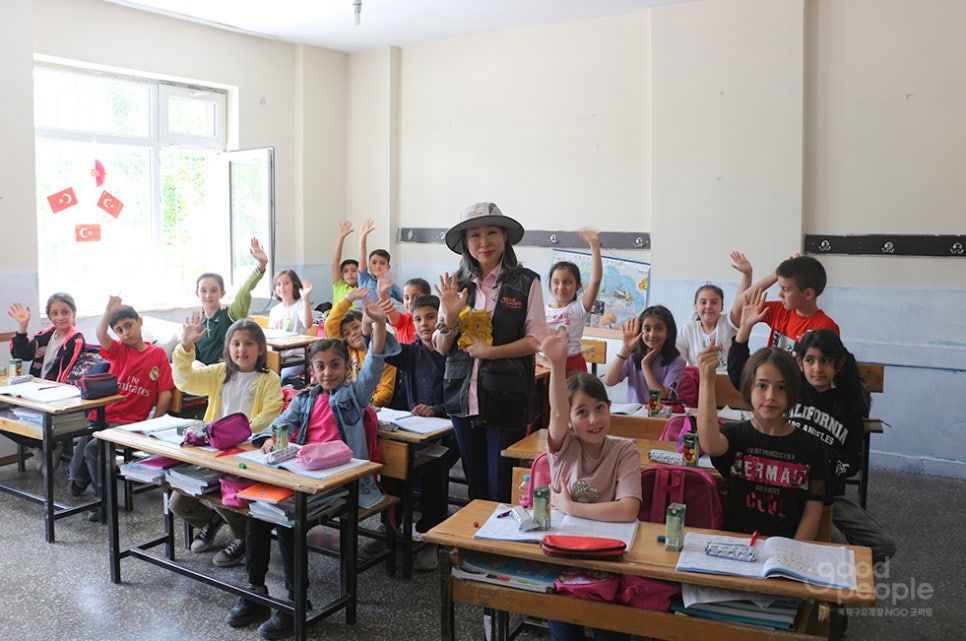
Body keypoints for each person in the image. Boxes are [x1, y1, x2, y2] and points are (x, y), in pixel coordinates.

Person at [225, 302, 397, 639]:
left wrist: (376, 326)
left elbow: (375, 363)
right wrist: (269, 440)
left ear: (348, 368)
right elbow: (279, 425)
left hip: (340, 484)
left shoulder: (354, 396)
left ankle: (295, 604)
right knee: (258, 514)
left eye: (335, 365)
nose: (328, 372)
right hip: (302, 477)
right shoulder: (305, 398)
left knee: (288, 522)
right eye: (320, 367)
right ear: (312, 370)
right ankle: (255, 591)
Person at [728, 295, 896, 561]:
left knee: (883, 544)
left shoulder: (849, 405)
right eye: (810, 360)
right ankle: (826, 592)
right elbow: (741, 376)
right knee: (830, 545)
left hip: (828, 494)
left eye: (825, 361)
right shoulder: (790, 392)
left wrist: (825, 466)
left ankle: (838, 585)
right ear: (799, 363)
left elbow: (853, 461)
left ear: (838, 364)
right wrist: (743, 334)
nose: (817, 368)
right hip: (787, 488)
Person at [434, 202, 546, 503]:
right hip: (461, 396)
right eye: (475, 235)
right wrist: (451, 318)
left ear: (505, 237)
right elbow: (443, 348)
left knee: (500, 486)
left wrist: (490, 351)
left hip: (505, 397)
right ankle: (475, 548)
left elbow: (536, 340)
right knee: (475, 486)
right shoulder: (455, 285)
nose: (484, 242)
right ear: (464, 242)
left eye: (492, 232)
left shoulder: (526, 281)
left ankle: (498, 548)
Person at [542, 327, 641, 641]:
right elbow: (556, 411)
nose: (595, 420)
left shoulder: (624, 449)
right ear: (569, 420)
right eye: (582, 412)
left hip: (607, 557)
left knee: (610, 631)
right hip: (562, 554)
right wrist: (557, 366)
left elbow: (628, 510)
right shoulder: (564, 446)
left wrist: (571, 507)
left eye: (600, 408)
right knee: (564, 624)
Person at [170, 317, 283, 568]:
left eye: (249, 343)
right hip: (213, 453)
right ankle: (217, 518)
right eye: (236, 344)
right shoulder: (219, 373)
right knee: (179, 502)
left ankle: (242, 537)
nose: (242, 349)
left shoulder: (269, 379)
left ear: (261, 348)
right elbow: (184, 381)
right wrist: (185, 348)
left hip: (245, 455)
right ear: (228, 349)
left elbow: (271, 413)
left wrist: (235, 435)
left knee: (227, 495)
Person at [697, 342, 828, 540]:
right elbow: (709, 444)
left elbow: (812, 510)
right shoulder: (736, 436)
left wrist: (790, 555)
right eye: (761, 386)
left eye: (781, 387)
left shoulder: (812, 447)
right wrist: (707, 380)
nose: (770, 396)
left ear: (793, 390)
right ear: (749, 389)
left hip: (785, 553)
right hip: (736, 549)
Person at [69, 297, 174, 520]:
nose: (125, 333)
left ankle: (103, 501)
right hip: (103, 415)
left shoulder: (156, 354)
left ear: (140, 322)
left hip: (130, 422)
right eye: (119, 330)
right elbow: (100, 334)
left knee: (93, 449)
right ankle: (78, 478)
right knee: (85, 441)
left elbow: (165, 391)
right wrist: (108, 310)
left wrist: (156, 421)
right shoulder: (118, 351)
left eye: (129, 325)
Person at [380, 293, 459, 571]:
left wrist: (436, 409)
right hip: (417, 433)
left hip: (450, 433)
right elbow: (382, 347)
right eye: (417, 319)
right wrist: (375, 322)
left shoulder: (454, 352)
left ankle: (431, 536)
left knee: (432, 473)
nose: (424, 324)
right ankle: (390, 528)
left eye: (430, 317)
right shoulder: (412, 353)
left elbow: (461, 398)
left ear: (442, 319)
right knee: (391, 463)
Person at [7, 293, 85, 470]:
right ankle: (42, 447)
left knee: (21, 417)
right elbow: (21, 354)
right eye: (54, 313)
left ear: (74, 313)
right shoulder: (46, 335)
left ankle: (48, 446)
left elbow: (64, 378)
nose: (60, 317)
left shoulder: (76, 340)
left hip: (57, 399)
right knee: (5, 418)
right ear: (49, 317)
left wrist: (37, 392)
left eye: (65, 312)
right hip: (35, 395)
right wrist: (22, 326)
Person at [740, 253, 839, 352]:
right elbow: (741, 304)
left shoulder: (826, 327)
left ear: (808, 294)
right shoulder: (779, 310)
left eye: (785, 289)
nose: (780, 294)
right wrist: (774, 275)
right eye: (780, 287)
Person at [192, 237, 268, 365]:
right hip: (205, 377)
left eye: (214, 290)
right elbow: (193, 356)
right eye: (203, 291)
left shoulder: (231, 315)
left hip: (229, 374)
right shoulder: (197, 324)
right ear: (197, 294)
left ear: (222, 293)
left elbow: (244, 291)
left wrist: (261, 265)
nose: (208, 295)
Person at [675, 251, 752, 370]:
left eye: (714, 302)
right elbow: (678, 364)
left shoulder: (728, 323)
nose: (708, 306)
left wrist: (747, 275)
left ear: (722, 306)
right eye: (703, 302)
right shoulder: (688, 329)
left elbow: (741, 302)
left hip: (727, 381)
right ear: (695, 306)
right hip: (698, 381)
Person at [542, 229, 603, 376]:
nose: (561, 287)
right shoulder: (541, 310)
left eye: (567, 282)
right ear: (550, 284)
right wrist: (542, 362)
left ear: (578, 286)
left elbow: (595, 281)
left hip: (572, 366)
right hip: (545, 367)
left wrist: (594, 245)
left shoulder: (578, 308)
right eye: (556, 282)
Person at [324, 287, 397, 406]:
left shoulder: (383, 353)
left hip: (370, 408)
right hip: (346, 404)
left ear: (366, 323)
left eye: (356, 327)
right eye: (346, 333)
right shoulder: (348, 352)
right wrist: (348, 300)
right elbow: (330, 325)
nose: (353, 333)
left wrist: (361, 404)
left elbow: (385, 393)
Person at [603, 305, 685, 403]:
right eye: (647, 329)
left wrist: (645, 365)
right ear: (640, 332)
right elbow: (609, 381)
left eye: (659, 329)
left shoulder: (677, 361)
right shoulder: (632, 355)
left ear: (668, 332)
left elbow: (661, 396)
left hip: (660, 416)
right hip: (634, 415)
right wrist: (625, 349)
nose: (652, 334)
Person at [357, 218, 402, 303]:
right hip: (362, 315)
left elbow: (405, 298)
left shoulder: (390, 285)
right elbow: (362, 257)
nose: (378, 266)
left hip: (381, 315)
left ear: (388, 267)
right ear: (369, 266)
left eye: (382, 263)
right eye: (374, 262)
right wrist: (363, 237)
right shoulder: (365, 279)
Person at [381, 277, 432, 344]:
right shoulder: (403, 320)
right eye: (407, 298)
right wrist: (381, 293)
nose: (410, 302)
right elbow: (388, 308)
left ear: (427, 297)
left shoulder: (433, 321)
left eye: (416, 297)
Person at [268, 269, 313, 335]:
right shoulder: (274, 310)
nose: (282, 287)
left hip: (298, 345)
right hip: (279, 344)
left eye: (286, 283)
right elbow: (271, 333)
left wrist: (305, 298)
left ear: (294, 286)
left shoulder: (300, 306)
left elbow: (308, 324)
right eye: (278, 284)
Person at [330, 220, 359, 306]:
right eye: (346, 271)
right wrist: (341, 237)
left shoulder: (363, 290)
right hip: (339, 319)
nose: (350, 273)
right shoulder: (339, 286)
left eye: (353, 270)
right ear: (342, 275)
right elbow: (336, 261)